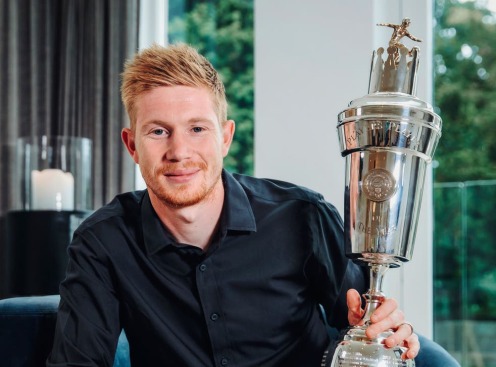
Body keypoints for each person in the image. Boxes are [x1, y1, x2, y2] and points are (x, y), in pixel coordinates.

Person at [47, 43, 458, 367]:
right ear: (132, 145)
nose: (179, 150)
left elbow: (363, 322)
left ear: (225, 137)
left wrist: (385, 329)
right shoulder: (102, 241)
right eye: (158, 131)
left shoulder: (303, 216)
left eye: (196, 129)